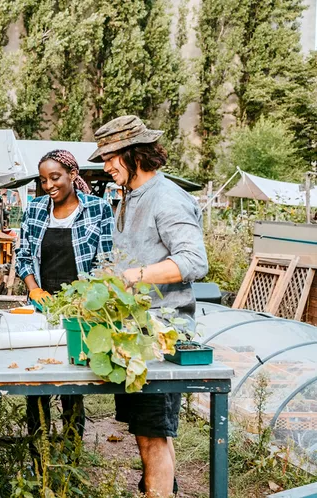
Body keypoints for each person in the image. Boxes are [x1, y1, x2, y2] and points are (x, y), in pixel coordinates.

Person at [88, 115, 209, 497]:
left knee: (153, 436)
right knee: (148, 433)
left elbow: (194, 260)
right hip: (135, 335)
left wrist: (134, 275)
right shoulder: (128, 198)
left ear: (133, 154)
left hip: (162, 336)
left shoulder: (167, 197)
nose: (105, 166)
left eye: (110, 157)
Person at [15, 149, 114, 451]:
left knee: (73, 382)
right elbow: (23, 255)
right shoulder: (35, 209)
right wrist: (33, 289)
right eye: (44, 180)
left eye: (55, 177)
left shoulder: (98, 209)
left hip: (80, 308)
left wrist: (86, 300)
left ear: (73, 174)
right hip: (41, 305)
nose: (49, 186)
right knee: (37, 379)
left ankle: (72, 451)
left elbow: (106, 261)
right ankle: (37, 451)